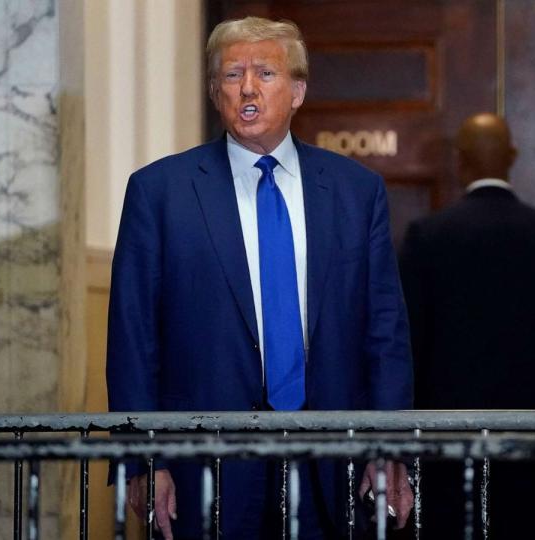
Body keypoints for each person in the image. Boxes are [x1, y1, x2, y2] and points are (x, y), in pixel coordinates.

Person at [106, 16, 413, 540]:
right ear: (213, 91)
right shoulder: (159, 193)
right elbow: (133, 339)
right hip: (206, 467)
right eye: (232, 75)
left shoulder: (355, 192)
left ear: (297, 90)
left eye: (265, 73)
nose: (248, 88)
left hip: (331, 463)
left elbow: (384, 331)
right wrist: (143, 460)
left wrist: (389, 448)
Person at [399, 112, 535, 537]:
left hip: (446, 444)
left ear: (460, 161)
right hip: (534, 442)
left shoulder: (426, 236)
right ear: (513, 157)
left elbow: (409, 344)